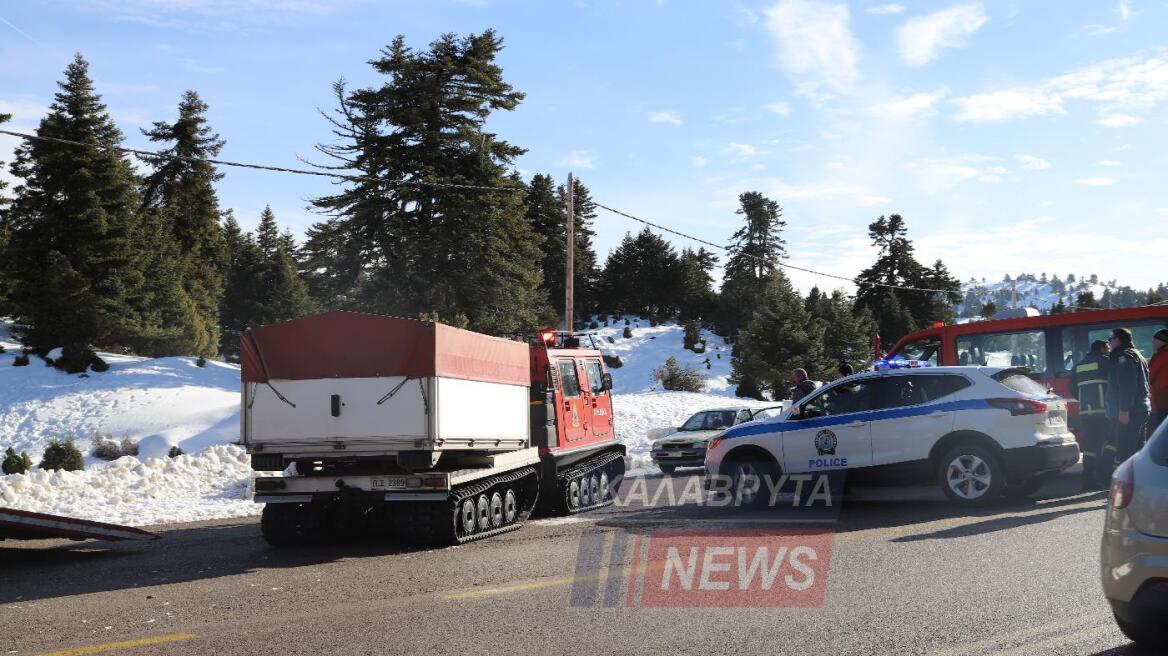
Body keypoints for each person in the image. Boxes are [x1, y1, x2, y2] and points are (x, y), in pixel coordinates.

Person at [1107, 328, 1151, 470]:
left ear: (1118, 340)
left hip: (1130, 411)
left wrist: (1124, 410)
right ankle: (1140, 480)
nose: (1109, 342)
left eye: (1110, 339)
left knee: (1126, 450)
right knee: (1138, 448)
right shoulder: (1137, 355)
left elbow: (1127, 386)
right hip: (1140, 408)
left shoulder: (1123, 357)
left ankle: (1127, 484)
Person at [1073, 340, 1111, 489]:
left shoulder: (1079, 364)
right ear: (1101, 348)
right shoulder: (1106, 362)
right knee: (1106, 443)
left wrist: (1085, 399)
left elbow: (1072, 387)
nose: (1108, 350)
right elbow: (1114, 384)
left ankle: (1088, 480)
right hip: (1104, 411)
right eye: (1107, 348)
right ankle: (1103, 478)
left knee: (1090, 446)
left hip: (1085, 412)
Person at [1149, 328, 1168, 436]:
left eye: (1155, 339)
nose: (1153, 342)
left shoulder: (1161, 356)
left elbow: (1149, 375)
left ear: (1163, 340)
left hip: (1161, 400)